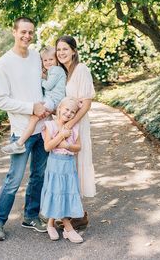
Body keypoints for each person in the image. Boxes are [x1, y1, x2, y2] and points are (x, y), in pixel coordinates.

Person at [0, 17, 49, 241]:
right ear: (14, 32)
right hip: (22, 131)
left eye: (31, 32)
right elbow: (1, 101)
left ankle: (30, 216)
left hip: (42, 129)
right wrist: (30, 107)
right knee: (13, 180)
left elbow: (41, 84)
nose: (27, 36)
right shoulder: (3, 63)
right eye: (23, 32)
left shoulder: (35, 57)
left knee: (38, 175)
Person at [55, 35, 96, 229]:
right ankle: (73, 212)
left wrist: (70, 125)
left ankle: (79, 214)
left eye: (65, 49)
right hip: (66, 125)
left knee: (78, 164)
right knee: (68, 166)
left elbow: (86, 103)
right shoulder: (64, 72)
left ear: (74, 50)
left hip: (77, 125)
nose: (61, 53)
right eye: (58, 49)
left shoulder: (81, 69)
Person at [1, 46, 66, 154]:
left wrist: (39, 78)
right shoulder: (52, 70)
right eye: (45, 60)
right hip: (50, 99)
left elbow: (48, 86)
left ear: (57, 59)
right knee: (34, 118)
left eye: (51, 59)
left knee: (34, 118)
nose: (48, 62)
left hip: (53, 100)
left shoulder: (56, 70)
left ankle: (19, 144)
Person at [40, 97, 84, 243]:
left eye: (73, 112)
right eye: (66, 109)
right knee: (57, 191)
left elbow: (78, 147)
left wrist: (68, 146)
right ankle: (68, 228)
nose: (69, 113)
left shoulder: (74, 127)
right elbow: (47, 147)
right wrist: (61, 136)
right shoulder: (50, 126)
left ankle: (50, 224)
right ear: (59, 108)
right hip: (55, 165)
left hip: (69, 166)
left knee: (64, 192)